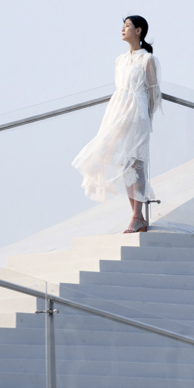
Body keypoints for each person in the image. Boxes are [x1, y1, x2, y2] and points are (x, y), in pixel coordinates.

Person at [72, 15, 162, 232]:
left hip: (137, 113)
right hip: (117, 112)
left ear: (138, 31)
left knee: (136, 163)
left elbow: (153, 93)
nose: (123, 29)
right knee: (121, 161)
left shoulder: (147, 59)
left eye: (127, 26)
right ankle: (136, 216)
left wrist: (146, 119)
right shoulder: (119, 60)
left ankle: (137, 216)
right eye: (123, 26)